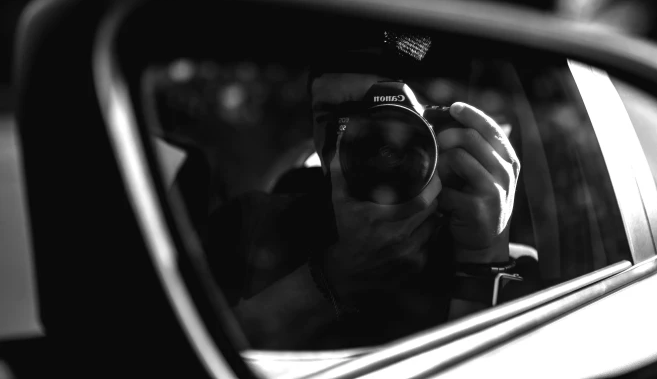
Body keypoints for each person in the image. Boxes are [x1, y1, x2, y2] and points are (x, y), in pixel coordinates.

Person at [204, 32, 521, 350]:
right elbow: (196, 346)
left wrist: (482, 258)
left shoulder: (471, 231)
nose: (345, 138)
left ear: (434, 131)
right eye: (328, 118)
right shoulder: (249, 227)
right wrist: (335, 274)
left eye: (372, 118)